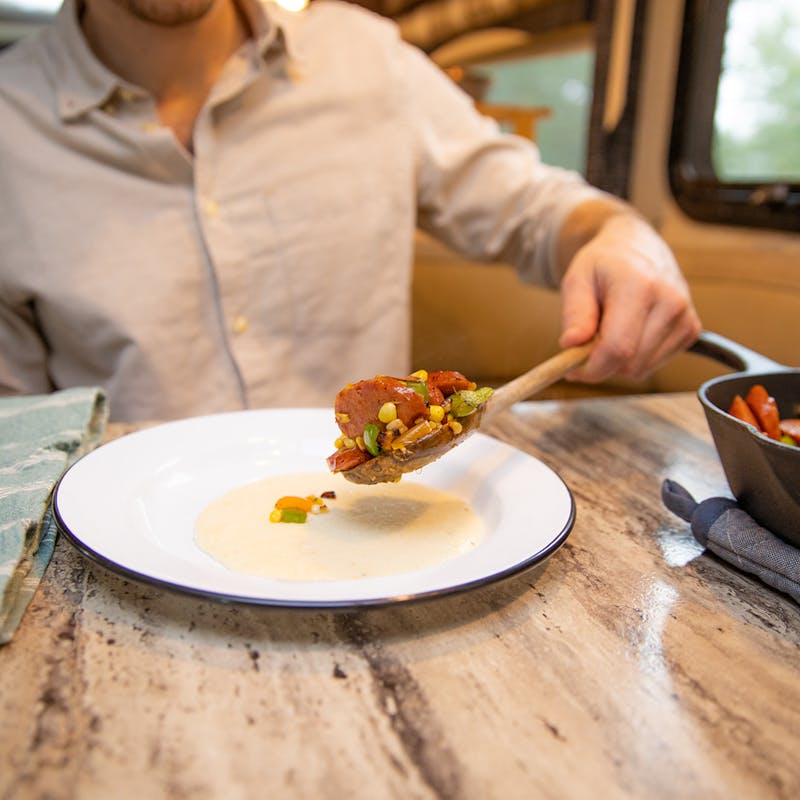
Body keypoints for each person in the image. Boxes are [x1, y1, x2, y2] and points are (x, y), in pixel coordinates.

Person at [0, 0, 701, 422]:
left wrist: (622, 236)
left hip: (368, 529)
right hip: (126, 556)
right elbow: (17, 441)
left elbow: (540, 212)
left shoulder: (367, 57)